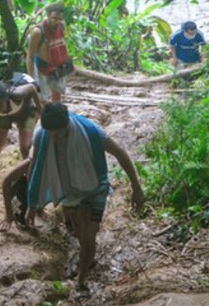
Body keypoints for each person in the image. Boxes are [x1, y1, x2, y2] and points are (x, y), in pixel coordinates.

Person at [24, 103, 145, 290]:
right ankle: (85, 258)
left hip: (94, 191)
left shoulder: (91, 132)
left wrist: (137, 188)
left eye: (59, 134)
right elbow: (35, 167)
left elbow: (120, 154)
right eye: (51, 134)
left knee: (88, 237)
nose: (54, 139)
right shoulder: (43, 135)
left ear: (67, 125)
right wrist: (31, 203)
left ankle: (81, 280)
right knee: (78, 234)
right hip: (67, 193)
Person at [0, 80, 41, 181]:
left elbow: (32, 88)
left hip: (25, 111)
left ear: (6, 99)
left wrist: (40, 108)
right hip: (3, 117)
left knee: (25, 146)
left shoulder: (17, 94)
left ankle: (29, 170)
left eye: (0, 105)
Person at [26, 3, 72, 103]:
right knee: (41, 100)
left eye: (59, 19)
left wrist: (68, 64)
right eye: (54, 18)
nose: (57, 22)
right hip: (43, 68)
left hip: (58, 67)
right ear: (48, 16)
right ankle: (43, 117)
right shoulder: (38, 32)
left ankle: (56, 117)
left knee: (57, 97)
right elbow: (29, 57)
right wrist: (32, 79)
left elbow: (63, 44)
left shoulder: (62, 26)